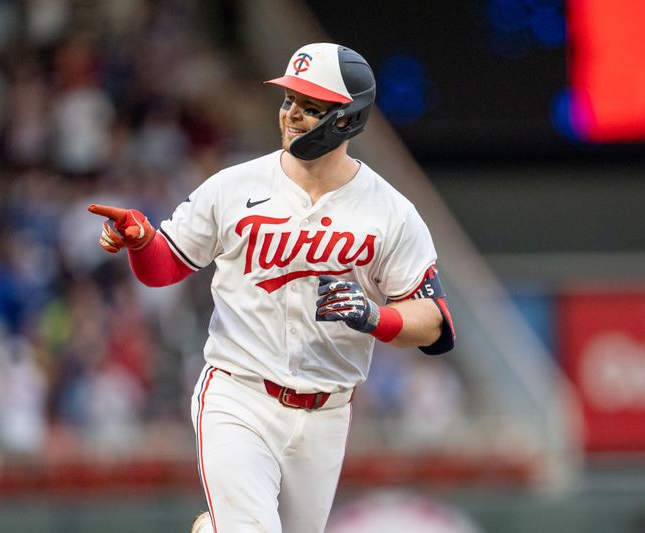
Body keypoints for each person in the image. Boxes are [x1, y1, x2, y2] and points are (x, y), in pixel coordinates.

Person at [88, 42, 456, 533]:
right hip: (238, 395)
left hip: (327, 409)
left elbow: (435, 323)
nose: (293, 115)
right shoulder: (233, 186)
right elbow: (165, 268)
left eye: (311, 107)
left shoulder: (389, 211)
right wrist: (141, 239)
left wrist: (376, 317)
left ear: (347, 118)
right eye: (289, 102)